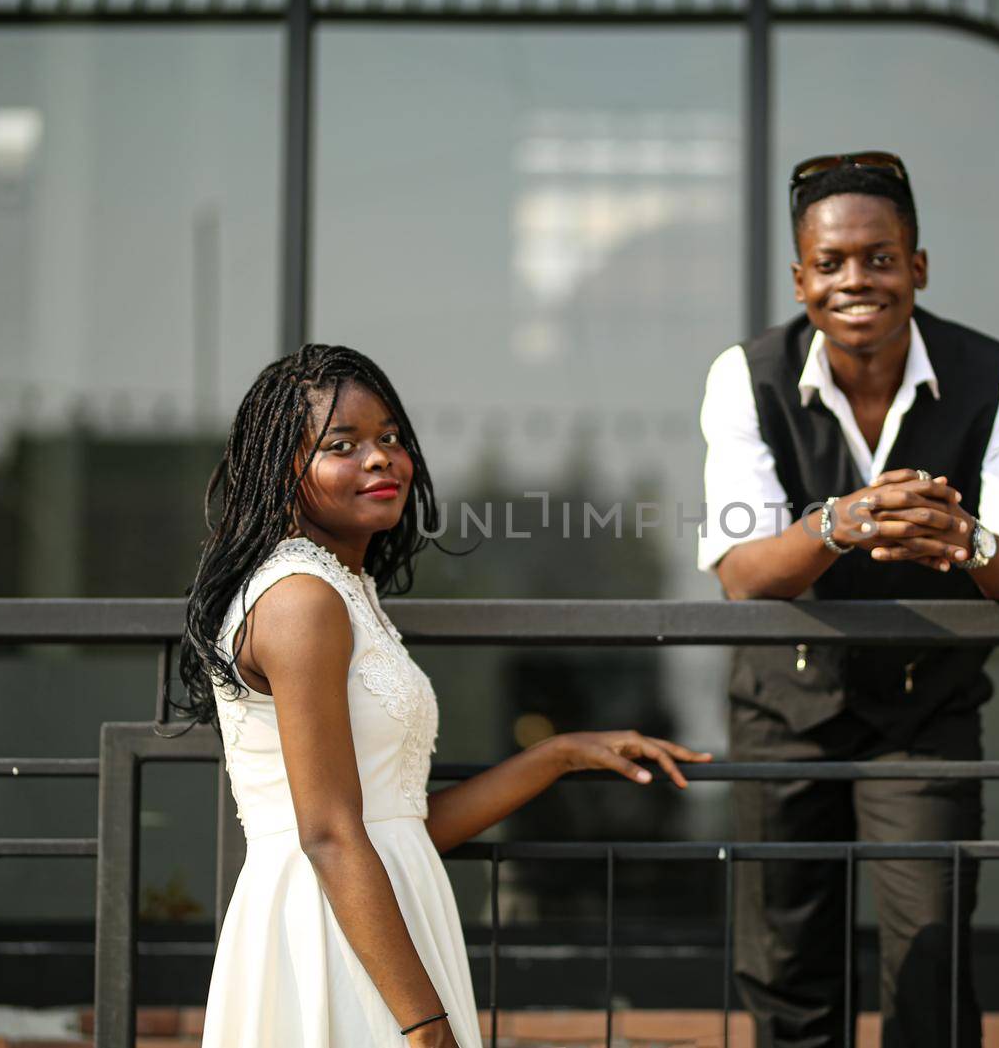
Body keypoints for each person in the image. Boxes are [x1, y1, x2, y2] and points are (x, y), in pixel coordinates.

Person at [175, 344, 709, 1048]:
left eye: (390, 438)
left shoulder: (345, 590)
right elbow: (330, 834)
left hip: (383, 920)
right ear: (282, 472)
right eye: (344, 444)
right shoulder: (299, 599)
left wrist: (558, 755)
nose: (380, 458)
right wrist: (426, 1026)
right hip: (328, 936)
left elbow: (403, 826)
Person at [698, 152, 999, 1048]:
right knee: (786, 972)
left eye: (879, 257)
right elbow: (743, 570)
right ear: (801, 278)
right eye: (830, 264)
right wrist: (841, 522)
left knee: (928, 972)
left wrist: (964, 538)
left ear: (919, 266)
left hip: (924, 707)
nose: (855, 280)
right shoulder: (745, 377)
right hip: (782, 708)